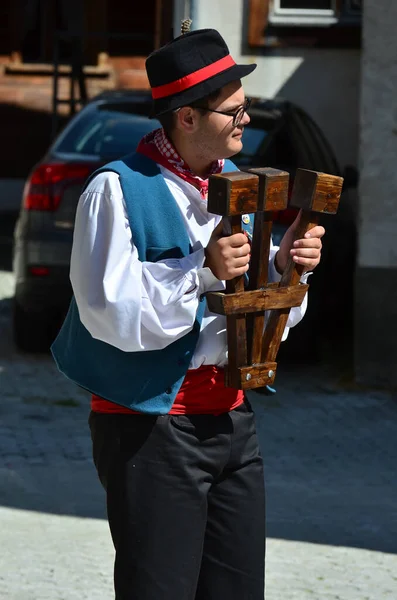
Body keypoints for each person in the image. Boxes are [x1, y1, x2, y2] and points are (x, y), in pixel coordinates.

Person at [52, 26, 324, 600]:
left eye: (244, 108)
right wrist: (201, 272)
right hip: (151, 427)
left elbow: (255, 317)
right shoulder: (117, 190)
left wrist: (286, 271)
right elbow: (109, 312)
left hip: (232, 419)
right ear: (187, 117)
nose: (245, 121)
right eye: (232, 111)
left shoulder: (239, 189)